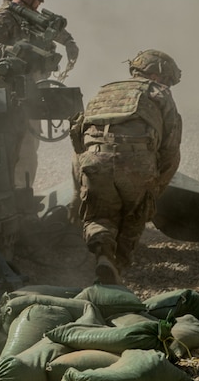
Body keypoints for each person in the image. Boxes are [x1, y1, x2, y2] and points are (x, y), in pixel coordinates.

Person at [70, 49, 182, 284]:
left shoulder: (104, 91)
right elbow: (171, 149)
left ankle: (103, 256)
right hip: (137, 163)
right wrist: (155, 189)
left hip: (94, 161)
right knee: (133, 216)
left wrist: (78, 187)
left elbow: (78, 140)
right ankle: (117, 270)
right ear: (158, 76)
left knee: (99, 216)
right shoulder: (159, 93)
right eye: (168, 81)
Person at [0, 0, 79, 191]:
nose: (41, 1)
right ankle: (16, 199)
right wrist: (17, 51)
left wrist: (69, 43)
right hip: (8, 94)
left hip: (31, 91)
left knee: (29, 147)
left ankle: (23, 194)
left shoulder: (31, 16)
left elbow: (52, 30)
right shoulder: (3, 17)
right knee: (16, 147)